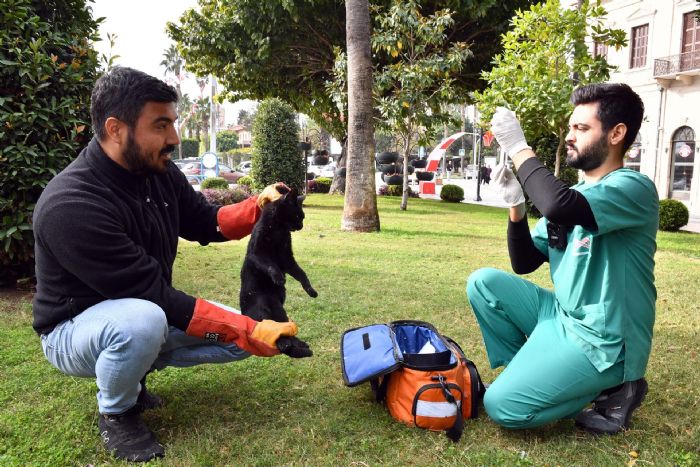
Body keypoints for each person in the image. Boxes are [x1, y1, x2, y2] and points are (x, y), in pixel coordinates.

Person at [32, 67, 302, 462]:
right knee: (146, 323)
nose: (174, 138)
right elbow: (152, 295)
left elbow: (205, 221)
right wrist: (247, 329)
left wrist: (258, 207)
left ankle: (134, 366)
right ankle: (118, 411)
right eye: (161, 125)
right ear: (116, 128)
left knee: (245, 336)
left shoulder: (154, 172)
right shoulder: (72, 205)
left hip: (141, 312)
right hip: (71, 331)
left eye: (173, 123)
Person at [466, 83, 658, 434]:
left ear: (617, 134)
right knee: (483, 282)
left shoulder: (634, 188)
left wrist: (519, 149)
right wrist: (516, 207)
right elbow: (524, 262)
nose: (570, 136)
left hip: (604, 339)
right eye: (571, 127)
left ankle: (614, 388)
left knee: (502, 407)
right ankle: (534, 373)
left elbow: (558, 206)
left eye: (581, 129)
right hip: (561, 316)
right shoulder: (577, 194)